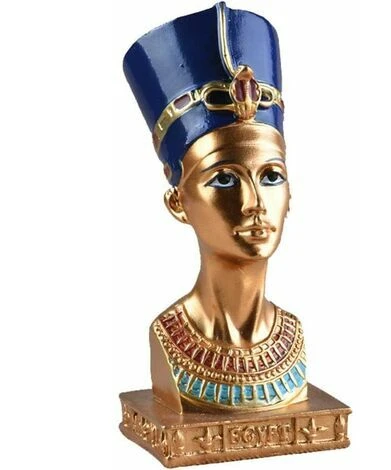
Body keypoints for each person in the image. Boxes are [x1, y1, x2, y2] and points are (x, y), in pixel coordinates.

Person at [124, 2, 307, 414]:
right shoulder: (167, 336)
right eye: (224, 179)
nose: (254, 204)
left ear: (290, 195)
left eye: (271, 176)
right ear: (178, 203)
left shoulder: (295, 333)